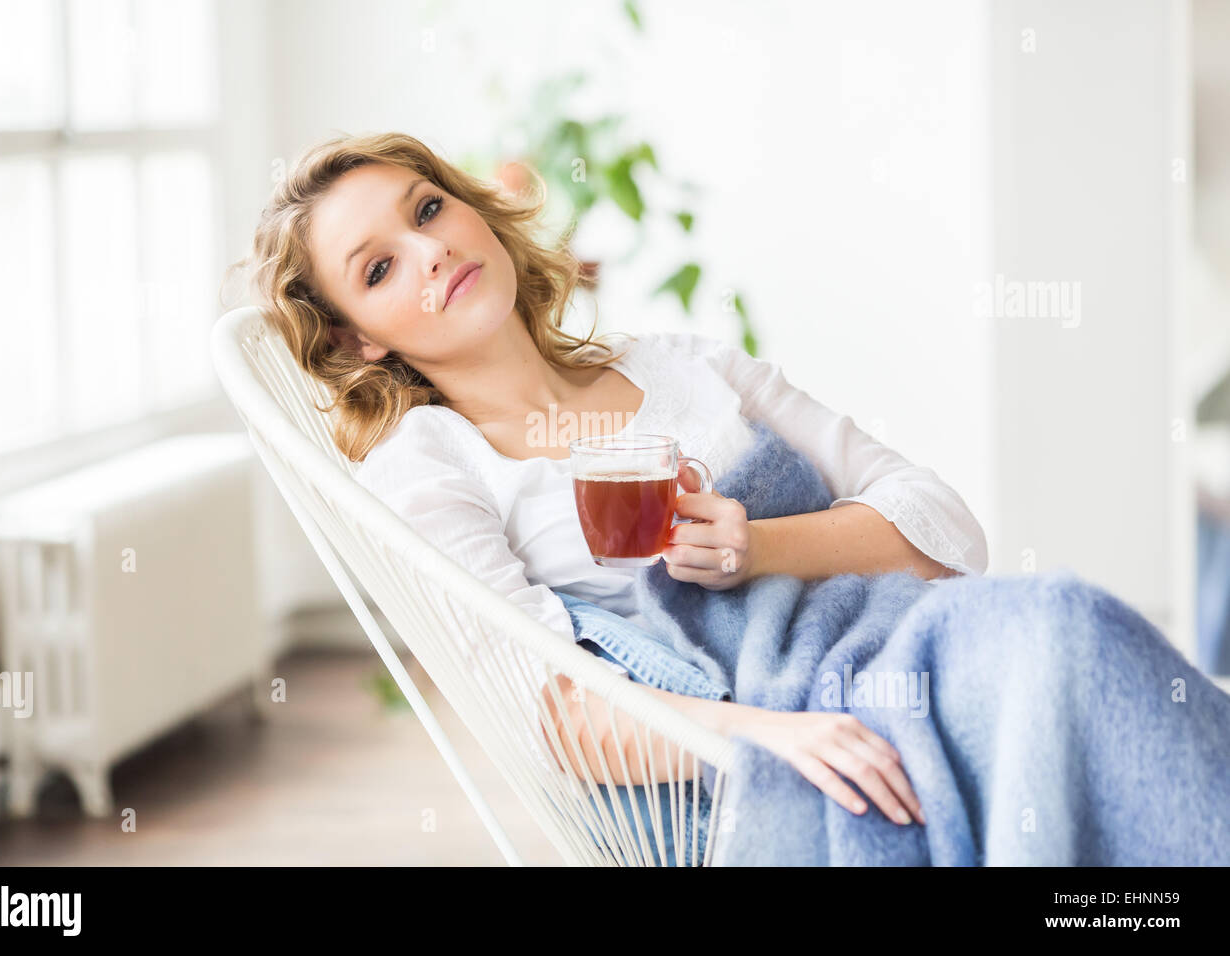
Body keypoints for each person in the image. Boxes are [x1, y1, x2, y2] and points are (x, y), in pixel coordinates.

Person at [238, 131, 991, 830]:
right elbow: (541, 708)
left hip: (906, 651)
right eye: (379, 268)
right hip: (786, 755)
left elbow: (946, 530)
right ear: (358, 338)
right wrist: (766, 739)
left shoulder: (690, 366)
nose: (430, 251)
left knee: (1058, 628)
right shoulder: (428, 467)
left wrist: (754, 550)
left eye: (429, 209)